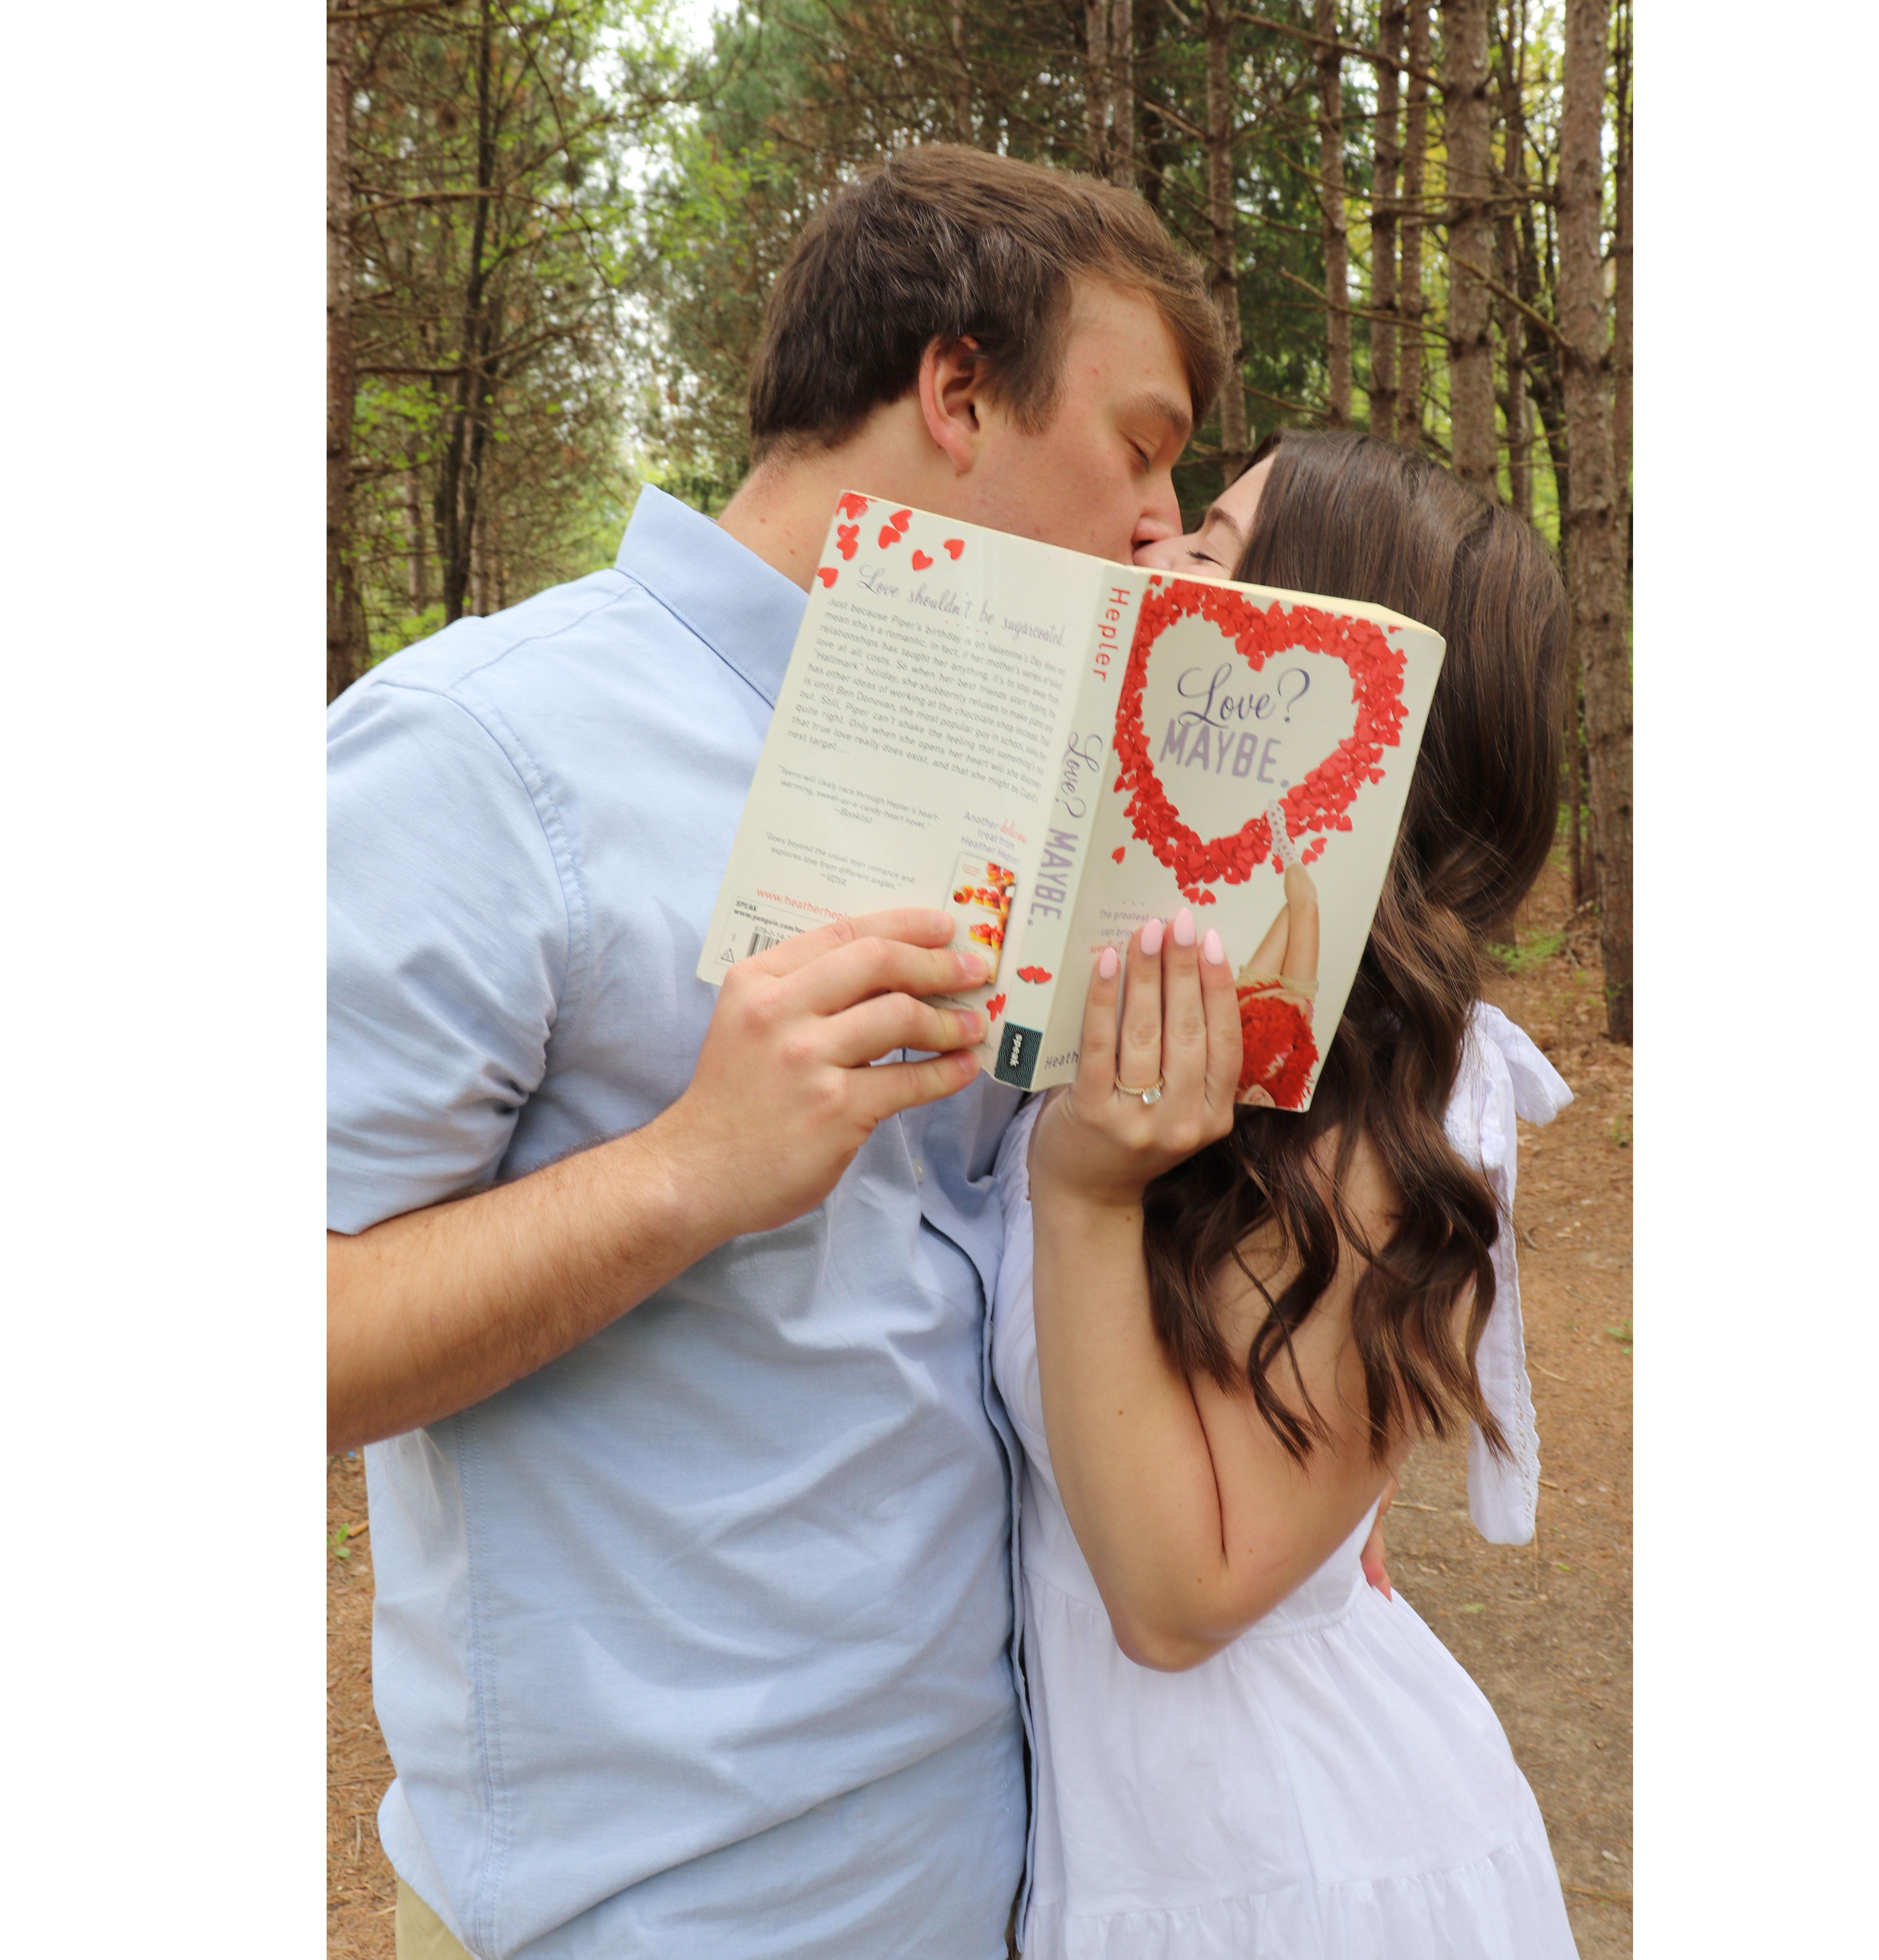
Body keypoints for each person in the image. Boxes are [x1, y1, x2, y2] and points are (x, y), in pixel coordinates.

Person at [327, 147, 1226, 1960]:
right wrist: (686, 1173)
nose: (1163, 523)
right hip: (661, 1912)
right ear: (957, 392)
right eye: (1141, 448)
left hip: (1013, 1856)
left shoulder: (1041, 777)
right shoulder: (478, 753)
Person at [991, 428, 1583, 1955]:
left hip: (1289, 1877)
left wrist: (1084, 1201)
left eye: (1218, 550)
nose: (1159, 551)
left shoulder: (1412, 1092)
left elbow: (1178, 1596)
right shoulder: (1142, 1008)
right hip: (1142, 1852)